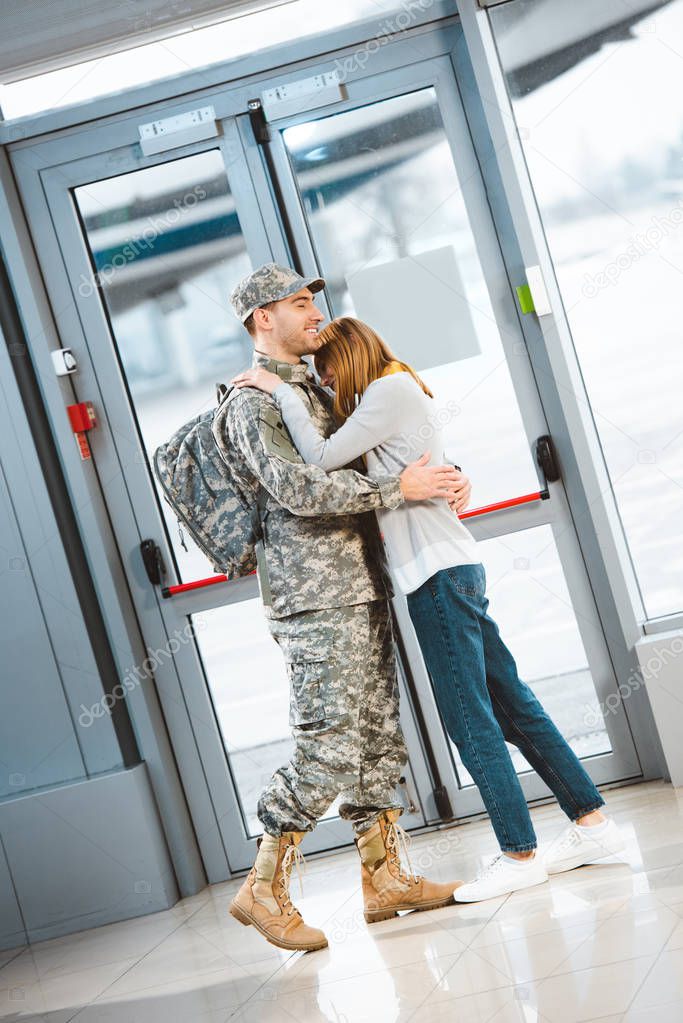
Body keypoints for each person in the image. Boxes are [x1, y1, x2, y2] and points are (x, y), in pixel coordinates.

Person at [233, 315, 627, 903]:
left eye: (327, 368)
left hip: (437, 577)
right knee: (514, 708)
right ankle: (594, 826)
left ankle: (519, 853)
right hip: (449, 569)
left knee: (469, 719)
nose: (327, 381)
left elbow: (316, 457)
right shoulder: (394, 391)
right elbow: (403, 468)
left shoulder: (388, 390)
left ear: (348, 357)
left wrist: (282, 390)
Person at [224, 265, 469, 953]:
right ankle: (263, 889)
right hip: (312, 599)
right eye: (298, 303)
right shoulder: (252, 403)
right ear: (260, 319)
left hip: (361, 582)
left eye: (312, 300)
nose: (314, 313)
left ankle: (384, 878)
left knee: (375, 738)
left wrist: (440, 477)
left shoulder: (312, 389)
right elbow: (301, 491)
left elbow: (373, 455)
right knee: (327, 744)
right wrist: (400, 489)